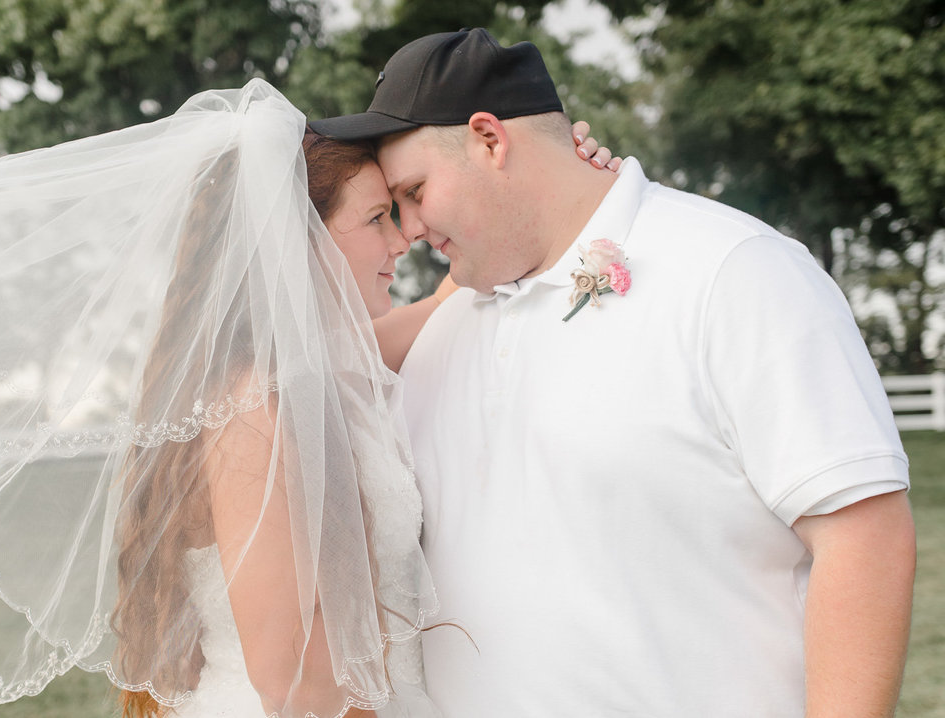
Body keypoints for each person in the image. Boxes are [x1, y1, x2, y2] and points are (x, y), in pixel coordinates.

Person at [0, 78, 609, 718]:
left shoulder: (315, 378)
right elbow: (295, 682)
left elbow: (443, 303)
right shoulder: (253, 413)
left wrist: (565, 194)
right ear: (297, 241)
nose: (405, 239)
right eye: (380, 218)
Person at [310, 28, 917, 718]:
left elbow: (862, 533)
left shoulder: (734, 271)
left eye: (415, 191)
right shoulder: (442, 326)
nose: (411, 227)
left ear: (489, 139)